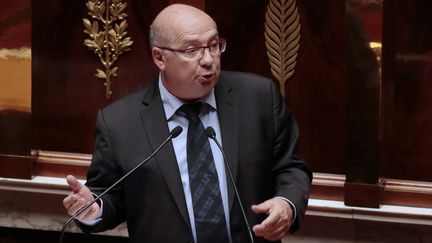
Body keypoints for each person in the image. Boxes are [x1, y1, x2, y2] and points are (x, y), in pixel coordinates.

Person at [62, 4, 312, 243]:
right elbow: (110, 195)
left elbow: (291, 167)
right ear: (159, 57)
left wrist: (285, 204)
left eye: (214, 46)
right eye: (192, 51)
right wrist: (94, 208)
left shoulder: (258, 98)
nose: (208, 60)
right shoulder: (119, 122)